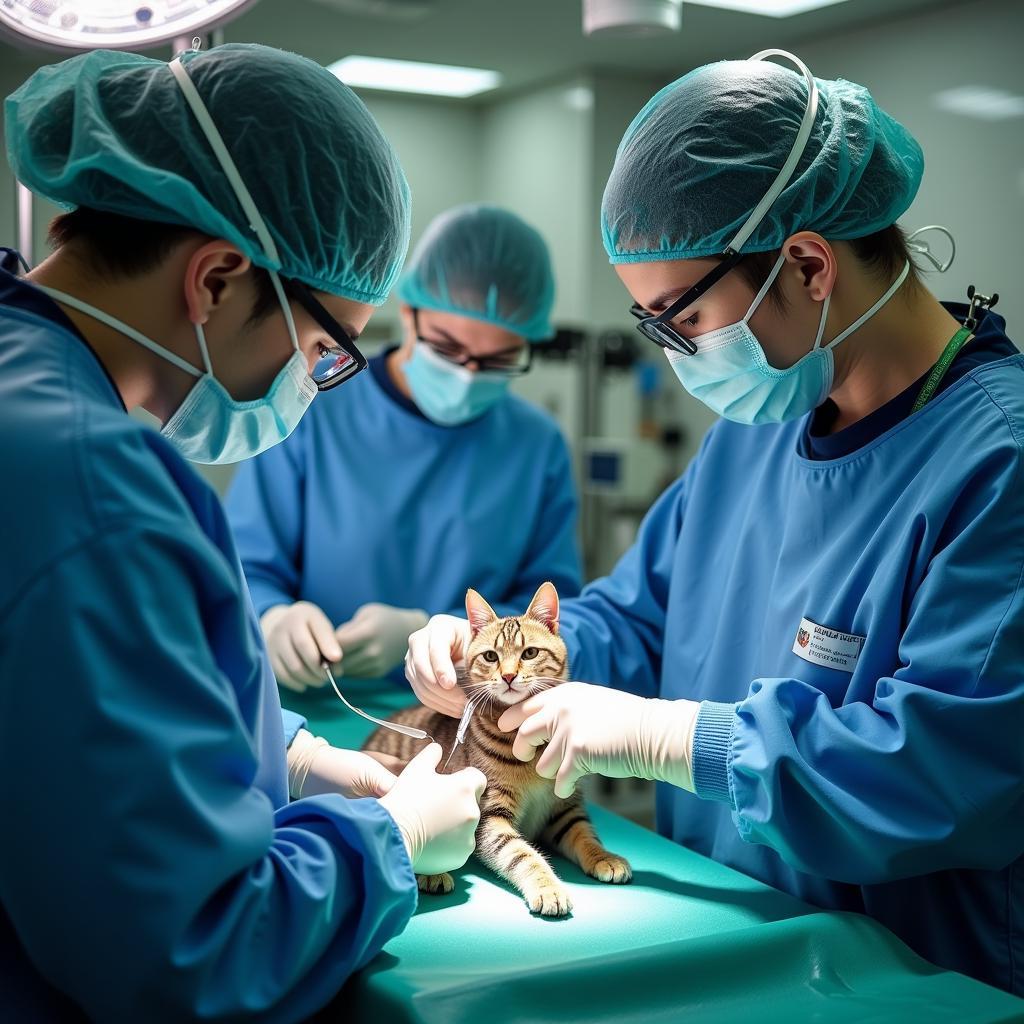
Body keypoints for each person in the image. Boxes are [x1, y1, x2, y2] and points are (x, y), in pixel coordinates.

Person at [405, 50, 1024, 994]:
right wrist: (499, 656)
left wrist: (674, 739)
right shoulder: (756, 433)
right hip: (725, 939)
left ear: (808, 265)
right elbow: (640, 618)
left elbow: (939, 772)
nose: (676, 352)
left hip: (912, 982)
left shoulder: (997, 462)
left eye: (678, 320)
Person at [0, 44, 485, 1022]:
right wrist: (387, 838)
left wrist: (290, 752)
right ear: (218, 278)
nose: (316, 383)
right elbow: (188, 948)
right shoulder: (92, 484)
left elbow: (66, 730)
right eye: (323, 350)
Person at [226, 203, 581, 691]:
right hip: (314, 703)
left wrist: (437, 629)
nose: (466, 375)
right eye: (447, 348)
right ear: (408, 313)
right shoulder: (313, 403)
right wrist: (272, 617)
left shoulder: (535, 446)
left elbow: (550, 606)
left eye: (497, 359)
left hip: (467, 711)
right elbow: (243, 562)